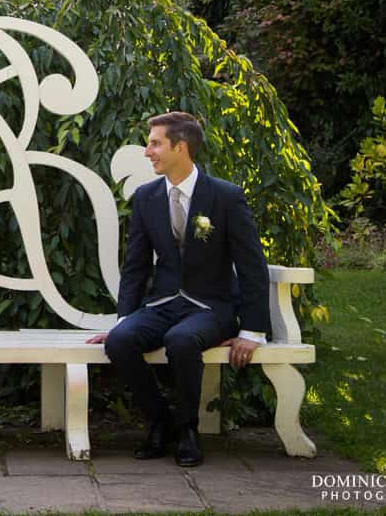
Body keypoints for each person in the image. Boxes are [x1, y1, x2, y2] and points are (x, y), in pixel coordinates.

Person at [86, 111, 269, 467]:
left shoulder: (225, 197)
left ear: (180, 147)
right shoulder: (146, 197)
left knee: (181, 340)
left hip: (210, 307)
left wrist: (252, 330)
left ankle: (188, 430)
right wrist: (124, 319)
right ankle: (160, 422)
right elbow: (136, 265)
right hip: (163, 304)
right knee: (120, 342)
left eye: (155, 143)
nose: (147, 151)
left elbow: (251, 266)